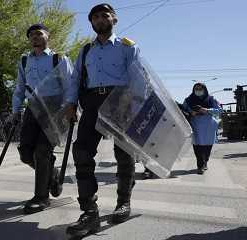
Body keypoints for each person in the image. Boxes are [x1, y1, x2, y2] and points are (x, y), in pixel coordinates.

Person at [62, 3, 142, 237]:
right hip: (91, 104)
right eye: (95, 17)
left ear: (113, 19)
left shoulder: (128, 46)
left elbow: (138, 79)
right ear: (92, 23)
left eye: (104, 15)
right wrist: (70, 104)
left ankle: (123, 202)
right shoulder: (86, 50)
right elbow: (75, 79)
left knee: (124, 155)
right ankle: (89, 211)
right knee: (82, 152)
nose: (99, 19)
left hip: (121, 102)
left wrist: (135, 107)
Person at [11, 23, 72, 214]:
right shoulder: (23, 61)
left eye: (39, 34)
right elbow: (20, 88)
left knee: (42, 152)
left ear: (48, 36)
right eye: (31, 35)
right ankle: (52, 175)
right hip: (32, 109)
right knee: (25, 153)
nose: (35, 37)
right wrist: (15, 111)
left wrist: (70, 108)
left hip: (55, 110)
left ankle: (41, 197)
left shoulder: (58, 59)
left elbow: (70, 86)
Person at [183, 83, 222, 175]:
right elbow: (183, 110)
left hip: (209, 126)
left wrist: (206, 110)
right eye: (196, 89)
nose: (198, 91)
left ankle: (205, 162)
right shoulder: (188, 100)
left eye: (200, 89)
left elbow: (219, 111)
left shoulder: (211, 99)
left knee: (207, 147)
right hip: (195, 126)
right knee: (197, 147)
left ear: (204, 89)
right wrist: (191, 112)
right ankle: (200, 166)